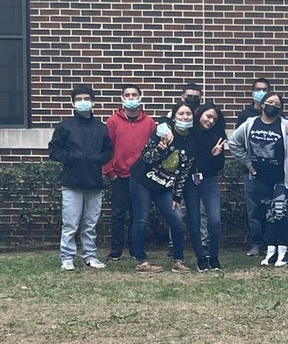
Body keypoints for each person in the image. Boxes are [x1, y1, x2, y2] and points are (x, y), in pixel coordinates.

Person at [229, 91, 288, 268]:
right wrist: (249, 164)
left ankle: (283, 251)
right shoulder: (250, 124)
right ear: (262, 104)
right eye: (270, 102)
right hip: (260, 177)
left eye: (277, 104)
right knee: (269, 215)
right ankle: (271, 251)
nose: (273, 106)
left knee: (279, 212)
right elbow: (233, 143)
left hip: (281, 178)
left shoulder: (286, 125)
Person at [48, 84, 113, 271]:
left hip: (94, 183)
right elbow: (54, 151)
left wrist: (96, 159)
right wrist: (73, 158)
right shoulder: (65, 127)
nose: (83, 103)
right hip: (71, 183)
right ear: (73, 103)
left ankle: (90, 255)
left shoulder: (101, 128)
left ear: (93, 102)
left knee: (90, 223)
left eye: (86, 99)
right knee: (70, 223)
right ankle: (67, 257)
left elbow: (109, 151)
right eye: (78, 100)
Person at [128, 102, 194, 273]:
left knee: (177, 221)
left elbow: (183, 173)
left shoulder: (192, 142)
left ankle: (178, 261)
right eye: (181, 114)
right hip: (142, 180)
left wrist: (177, 197)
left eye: (188, 114)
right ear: (174, 117)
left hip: (164, 186)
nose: (185, 117)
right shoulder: (163, 132)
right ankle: (141, 262)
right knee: (141, 219)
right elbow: (146, 157)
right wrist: (160, 149)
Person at [101, 84, 154, 261]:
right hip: (119, 175)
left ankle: (134, 249)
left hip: (140, 177)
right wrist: (110, 171)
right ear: (122, 98)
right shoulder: (113, 121)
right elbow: (107, 148)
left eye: (134, 95)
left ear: (140, 97)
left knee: (137, 214)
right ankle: (116, 250)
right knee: (118, 214)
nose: (131, 98)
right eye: (127, 95)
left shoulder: (149, 123)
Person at [185, 102, 227, 271]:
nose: (210, 121)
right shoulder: (189, 131)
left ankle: (214, 256)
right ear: (200, 113)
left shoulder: (217, 136)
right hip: (190, 181)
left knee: (215, 220)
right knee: (194, 220)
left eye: (214, 119)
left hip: (209, 180)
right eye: (208, 116)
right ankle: (200, 257)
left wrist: (215, 155)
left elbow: (219, 165)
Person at [235, 77, 272, 257]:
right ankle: (256, 244)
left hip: (272, 173)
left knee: (271, 208)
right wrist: (249, 165)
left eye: (265, 89)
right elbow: (237, 143)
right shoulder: (245, 116)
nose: (261, 92)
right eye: (258, 89)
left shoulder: (276, 114)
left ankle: (271, 243)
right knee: (254, 210)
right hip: (251, 172)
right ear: (252, 92)